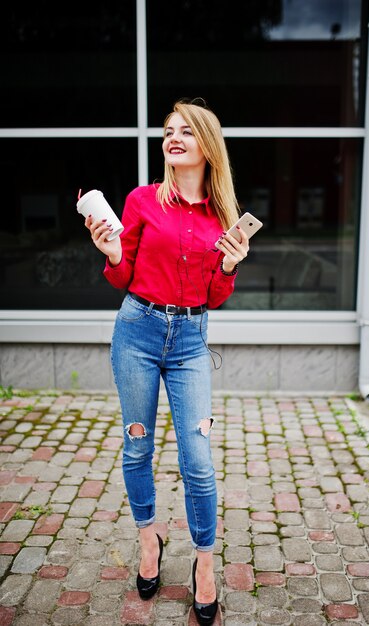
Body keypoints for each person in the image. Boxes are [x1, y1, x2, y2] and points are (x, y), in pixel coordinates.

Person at [85, 99, 249, 625]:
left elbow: (216, 295)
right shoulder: (139, 201)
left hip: (190, 341)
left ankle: (204, 562)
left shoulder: (223, 215)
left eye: (185, 131)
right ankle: (149, 538)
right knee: (137, 445)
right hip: (136, 330)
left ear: (207, 145)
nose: (173, 138)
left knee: (197, 459)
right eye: (168, 131)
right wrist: (111, 253)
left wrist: (228, 262)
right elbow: (123, 274)